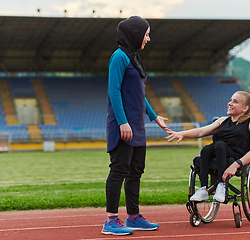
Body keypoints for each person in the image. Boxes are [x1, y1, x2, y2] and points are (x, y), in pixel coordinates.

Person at [102, 16, 169, 236]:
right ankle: (111, 221)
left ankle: (134, 217)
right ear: (135, 33)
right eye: (146, 34)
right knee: (119, 170)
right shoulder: (119, 56)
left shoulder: (134, 57)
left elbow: (139, 95)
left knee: (136, 171)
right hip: (123, 125)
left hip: (137, 125)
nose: (148, 38)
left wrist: (154, 116)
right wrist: (123, 122)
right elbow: (114, 91)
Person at [165, 91, 250, 203]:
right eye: (230, 100)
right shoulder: (222, 121)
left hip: (238, 157)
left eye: (235, 101)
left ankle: (222, 185)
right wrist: (182, 134)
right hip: (221, 153)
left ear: (245, 108)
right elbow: (201, 132)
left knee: (220, 145)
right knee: (207, 149)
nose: (230, 103)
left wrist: (236, 165)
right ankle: (203, 189)